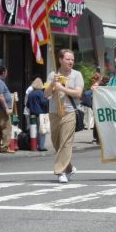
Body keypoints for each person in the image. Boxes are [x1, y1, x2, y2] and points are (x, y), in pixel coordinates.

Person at [44, 49, 84, 183]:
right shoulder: (53, 74)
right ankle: (70, 168)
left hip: (70, 112)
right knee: (56, 143)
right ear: (60, 60)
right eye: (68, 59)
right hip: (54, 112)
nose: (71, 61)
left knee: (66, 142)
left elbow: (78, 93)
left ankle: (59, 171)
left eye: (72, 59)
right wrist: (53, 85)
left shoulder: (77, 75)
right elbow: (46, 94)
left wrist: (62, 88)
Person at [0, 66, 15, 154]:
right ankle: (4, 147)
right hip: (1, 109)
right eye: (6, 72)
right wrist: (6, 108)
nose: (7, 74)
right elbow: (0, 96)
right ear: (3, 72)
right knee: (6, 127)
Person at [26, 77, 49, 151]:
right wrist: (48, 99)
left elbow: (27, 105)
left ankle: (34, 145)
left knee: (34, 130)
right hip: (40, 114)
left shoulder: (31, 93)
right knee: (42, 130)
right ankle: (41, 146)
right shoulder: (40, 93)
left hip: (32, 114)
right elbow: (43, 102)